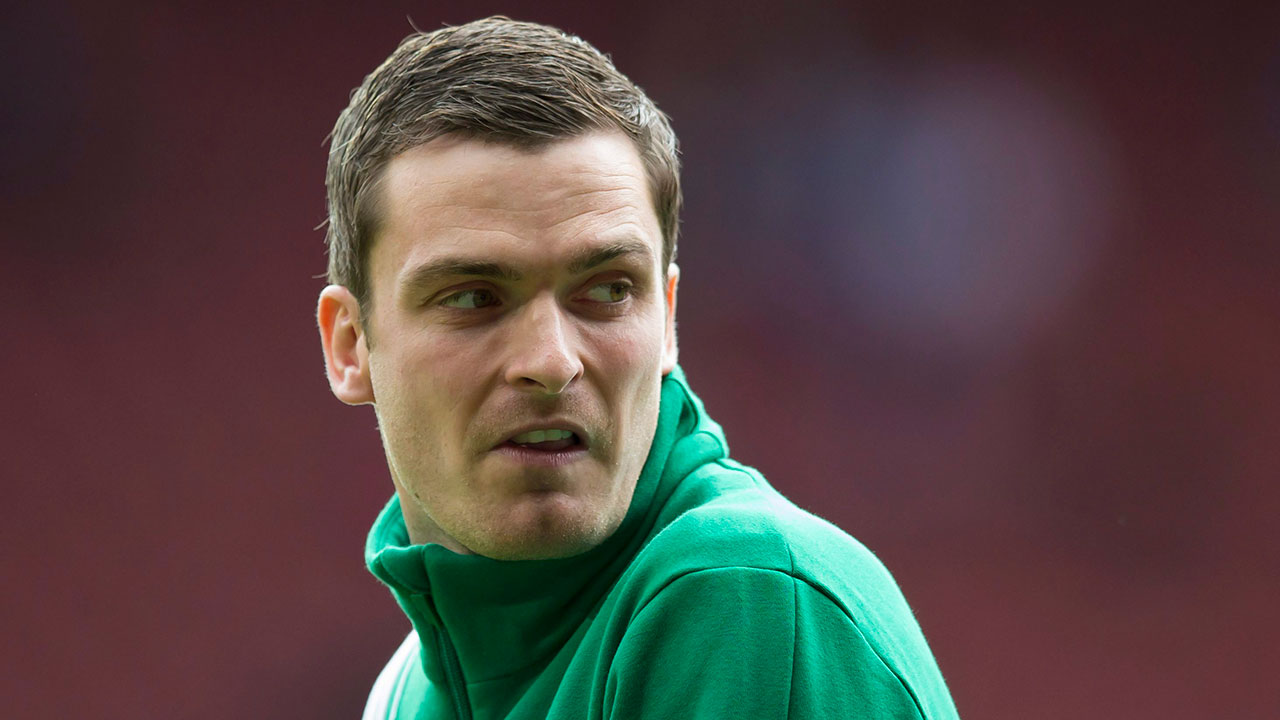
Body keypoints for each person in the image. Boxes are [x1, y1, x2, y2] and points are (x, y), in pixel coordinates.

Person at [316, 16, 959, 720]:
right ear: (351, 346)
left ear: (668, 318)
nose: (551, 362)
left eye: (607, 292)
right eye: (474, 298)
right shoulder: (403, 692)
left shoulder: (746, 597)